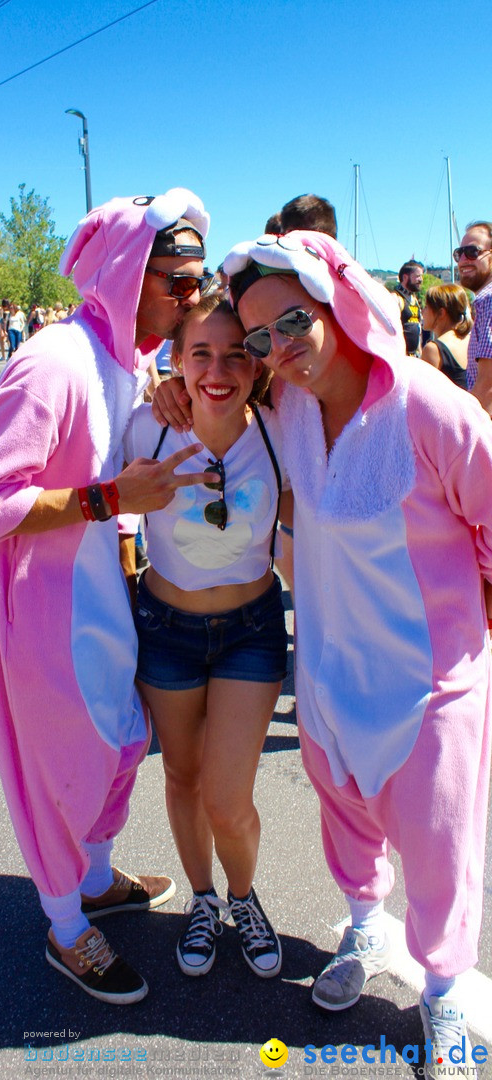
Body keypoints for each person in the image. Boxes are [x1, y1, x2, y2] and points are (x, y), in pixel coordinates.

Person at [219, 231, 492, 1079]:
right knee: (344, 807)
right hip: (332, 666)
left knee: (442, 839)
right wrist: (168, 393)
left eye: (292, 321)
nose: (278, 348)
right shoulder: (288, 410)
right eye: (260, 336)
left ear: (337, 299)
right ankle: (365, 923)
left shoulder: (426, 404)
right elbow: (206, 398)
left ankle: (444, 991)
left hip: (430, 679)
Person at [0, 188, 214, 1004]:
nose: (194, 299)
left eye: (199, 280)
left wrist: (164, 395)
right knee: (59, 771)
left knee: (119, 746)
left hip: (104, 601)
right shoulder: (53, 362)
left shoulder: (125, 359)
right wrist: (107, 498)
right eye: (180, 281)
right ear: (131, 275)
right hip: (44, 613)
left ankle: (95, 881)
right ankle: (67, 928)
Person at [124, 293, 289, 979]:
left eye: (235, 354)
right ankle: (202, 900)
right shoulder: (144, 429)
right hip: (165, 629)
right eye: (200, 354)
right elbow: (94, 500)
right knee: (182, 777)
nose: (218, 369)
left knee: (227, 798)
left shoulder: (285, 429)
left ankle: (244, 898)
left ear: (257, 364)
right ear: (176, 360)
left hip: (251, 629)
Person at [458, 222, 492, 414]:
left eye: (472, 252)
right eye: (459, 253)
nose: (463, 260)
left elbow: (488, 385)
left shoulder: (488, 300)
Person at [421, 284, 471, 389]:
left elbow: (425, 394)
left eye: (426, 307)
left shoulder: (434, 349)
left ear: (441, 313)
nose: (422, 311)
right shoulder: (469, 340)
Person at [392, 260, 424, 356]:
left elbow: (418, 330)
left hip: (414, 355)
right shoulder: (395, 298)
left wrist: (420, 352)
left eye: (421, 276)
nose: (421, 280)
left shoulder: (414, 300)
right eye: (418, 276)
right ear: (405, 277)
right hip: (400, 356)